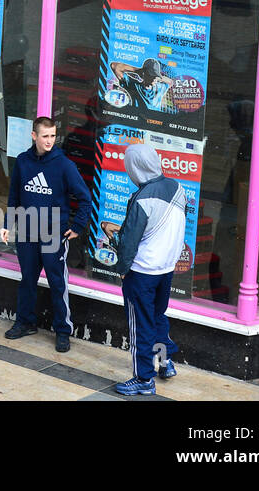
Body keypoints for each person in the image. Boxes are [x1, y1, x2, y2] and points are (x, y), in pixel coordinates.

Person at [1, 116, 90, 353]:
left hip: (53, 235)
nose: (49, 141)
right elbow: (14, 197)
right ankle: (25, 322)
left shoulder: (64, 165)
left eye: (52, 136)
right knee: (27, 280)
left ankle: (63, 331)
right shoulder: (22, 162)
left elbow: (85, 198)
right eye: (45, 136)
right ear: (34, 136)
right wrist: (8, 224)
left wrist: (78, 226)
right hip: (27, 233)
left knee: (57, 283)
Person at [105, 142, 187, 396]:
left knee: (140, 325)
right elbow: (161, 229)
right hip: (165, 269)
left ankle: (143, 378)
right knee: (157, 317)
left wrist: (121, 267)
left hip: (141, 272)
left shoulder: (142, 198)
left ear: (135, 167)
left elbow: (129, 241)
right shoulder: (177, 188)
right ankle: (164, 362)